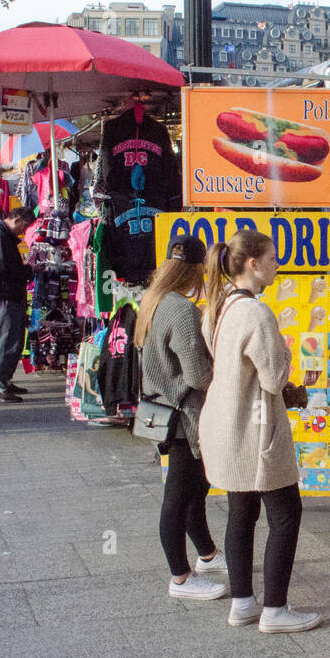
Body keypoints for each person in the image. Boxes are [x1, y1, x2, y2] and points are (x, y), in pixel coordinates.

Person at [200, 229, 318, 634]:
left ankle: (243, 602)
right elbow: (273, 377)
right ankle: (276, 609)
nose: (276, 265)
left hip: (226, 425)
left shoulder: (219, 306)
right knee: (286, 513)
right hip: (258, 431)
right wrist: (285, 349)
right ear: (253, 264)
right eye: (271, 258)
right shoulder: (257, 313)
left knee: (241, 512)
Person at [137, 234, 227, 601]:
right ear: (194, 269)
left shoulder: (153, 300)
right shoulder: (183, 311)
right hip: (184, 415)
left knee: (191, 490)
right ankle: (181, 577)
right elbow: (198, 376)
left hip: (162, 410)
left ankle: (206, 555)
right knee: (179, 497)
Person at [0, 207, 34, 403]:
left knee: (15, 340)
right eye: (25, 226)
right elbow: (3, 268)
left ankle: (5, 379)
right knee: (6, 339)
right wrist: (27, 271)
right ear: (17, 219)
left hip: (10, 293)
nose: (24, 231)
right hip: (3, 295)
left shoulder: (5, 236)